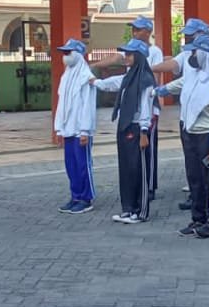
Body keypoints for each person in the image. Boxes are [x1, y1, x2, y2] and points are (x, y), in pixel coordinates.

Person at [157, 34, 209, 238]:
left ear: (206, 54)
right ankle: (197, 219)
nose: (192, 55)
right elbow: (181, 83)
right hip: (189, 132)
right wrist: (161, 90)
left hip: (208, 137)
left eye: (196, 51)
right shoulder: (195, 75)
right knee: (194, 179)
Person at [91, 38, 156, 222]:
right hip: (125, 127)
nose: (125, 57)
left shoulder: (145, 80)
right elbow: (111, 83)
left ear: (139, 56)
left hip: (137, 129)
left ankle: (139, 211)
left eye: (129, 54)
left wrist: (144, 132)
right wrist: (95, 82)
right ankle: (127, 208)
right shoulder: (128, 77)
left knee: (138, 169)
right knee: (126, 168)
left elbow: (146, 107)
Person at [152, 17, 209, 211]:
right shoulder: (188, 55)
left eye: (190, 35)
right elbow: (182, 77)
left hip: (205, 123)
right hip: (188, 120)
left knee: (206, 170)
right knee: (192, 166)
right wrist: (163, 87)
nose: (186, 39)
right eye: (185, 35)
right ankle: (196, 202)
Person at [52, 38, 97, 214]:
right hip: (68, 129)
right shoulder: (67, 75)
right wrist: (59, 128)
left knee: (82, 164)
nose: (65, 56)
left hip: (80, 130)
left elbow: (88, 105)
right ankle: (75, 196)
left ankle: (86, 198)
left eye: (68, 52)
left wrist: (85, 130)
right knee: (71, 165)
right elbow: (62, 103)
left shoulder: (86, 77)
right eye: (64, 53)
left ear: (78, 54)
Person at [130, 15, 164, 195]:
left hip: (149, 103)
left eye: (138, 29)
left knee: (148, 145)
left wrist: (151, 101)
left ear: (148, 31)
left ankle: (150, 185)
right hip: (133, 106)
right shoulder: (131, 49)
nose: (134, 32)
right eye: (133, 28)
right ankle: (139, 182)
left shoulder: (154, 51)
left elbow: (156, 78)